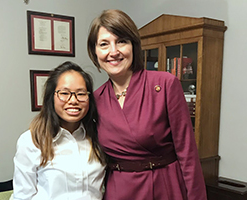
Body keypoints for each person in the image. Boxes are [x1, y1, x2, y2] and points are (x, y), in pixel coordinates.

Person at [87, 9, 207, 200]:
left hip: (163, 186)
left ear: (133, 45)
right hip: (119, 190)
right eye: (104, 44)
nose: (113, 52)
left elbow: (187, 153)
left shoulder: (165, 84)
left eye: (121, 41)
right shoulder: (95, 99)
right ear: (94, 51)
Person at [11, 61, 106, 200]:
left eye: (81, 93)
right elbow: (22, 196)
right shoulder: (31, 141)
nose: (73, 100)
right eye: (64, 93)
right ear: (51, 97)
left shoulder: (99, 136)